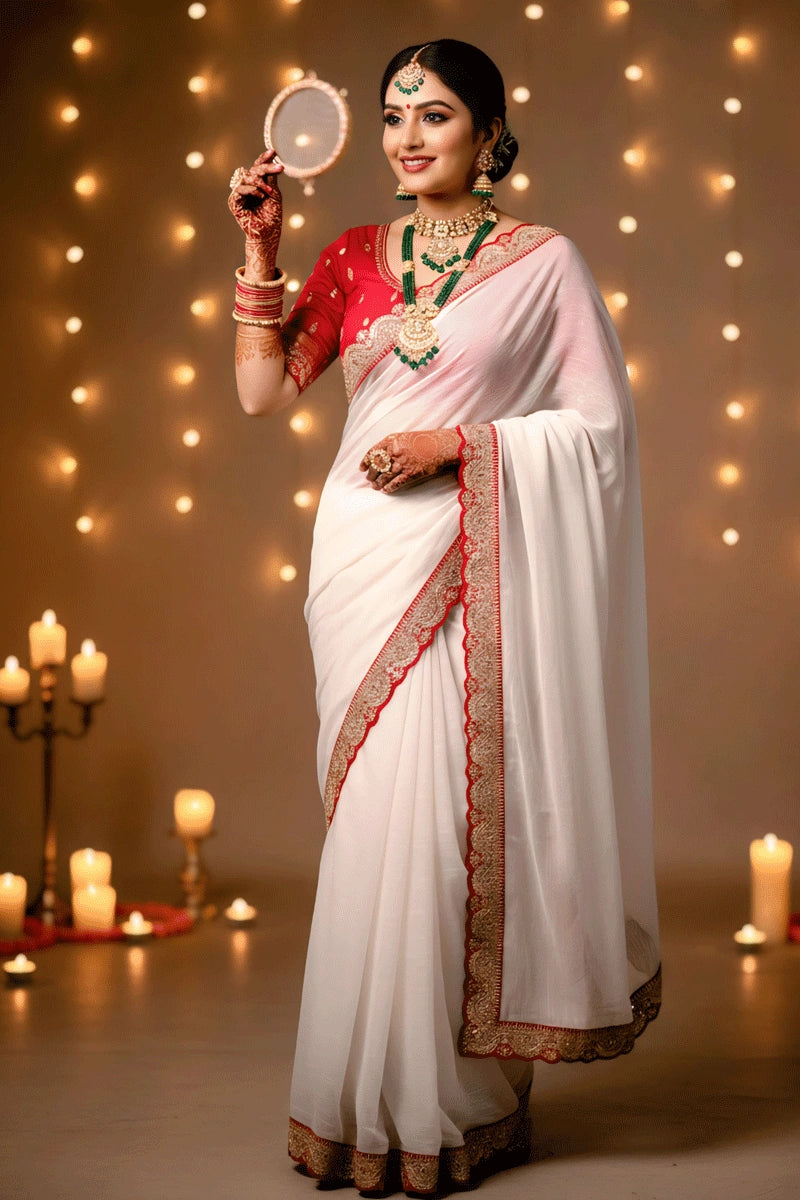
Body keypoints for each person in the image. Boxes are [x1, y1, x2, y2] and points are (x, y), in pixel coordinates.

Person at [228, 38, 661, 1197]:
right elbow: (262, 391)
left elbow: (597, 433)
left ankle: (438, 1106)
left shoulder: (542, 262)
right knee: (373, 829)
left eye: (433, 114)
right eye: (392, 115)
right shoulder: (352, 256)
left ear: (487, 132)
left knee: (436, 834)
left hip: (465, 564)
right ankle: (353, 1105)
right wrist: (261, 254)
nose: (408, 135)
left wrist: (456, 446)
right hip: (361, 561)